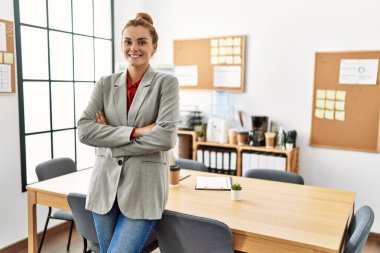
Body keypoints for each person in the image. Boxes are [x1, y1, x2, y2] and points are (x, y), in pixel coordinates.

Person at [77, 12, 179, 253]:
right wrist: (137, 131)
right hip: (103, 189)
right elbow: (84, 130)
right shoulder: (105, 83)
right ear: (122, 45)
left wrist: (109, 138)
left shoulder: (166, 84)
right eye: (128, 41)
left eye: (142, 42)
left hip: (143, 192)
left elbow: (166, 137)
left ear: (154, 46)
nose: (134, 48)